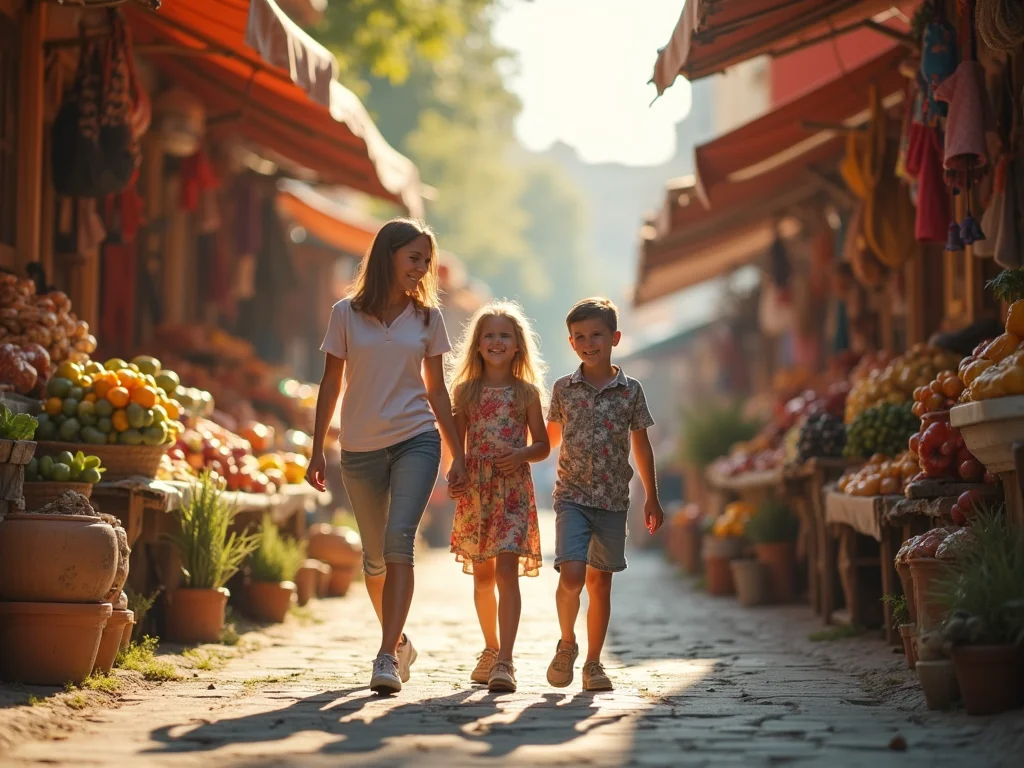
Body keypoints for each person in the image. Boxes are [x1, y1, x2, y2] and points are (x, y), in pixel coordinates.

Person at [306, 218, 468, 695]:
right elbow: (330, 383)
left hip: (416, 438)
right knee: (374, 559)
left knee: (400, 539)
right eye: (413, 258)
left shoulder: (428, 319)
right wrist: (317, 448)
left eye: (426, 261)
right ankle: (399, 642)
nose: (421, 268)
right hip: (359, 447)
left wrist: (456, 452)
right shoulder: (345, 314)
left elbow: (436, 391)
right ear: (388, 256)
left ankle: (384, 657)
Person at [545, 297, 664, 692]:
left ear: (615, 337)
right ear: (570, 342)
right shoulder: (563, 389)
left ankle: (594, 663)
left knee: (600, 584)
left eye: (596, 335)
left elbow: (642, 446)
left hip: (613, 501)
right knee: (572, 575)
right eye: (579, 336)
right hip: (572, 497)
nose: (588, 343)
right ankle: (567, 643)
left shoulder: (631, 391)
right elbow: (548, 441)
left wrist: (651, 496)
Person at [447, 300, 549, 693]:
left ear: (518, 344)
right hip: (477, 491)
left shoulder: (527, 393)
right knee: (482, 576)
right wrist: (456, 470)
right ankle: (489, 648)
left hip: (512, 490)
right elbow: (456, 445)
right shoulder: (465, 392)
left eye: (504, 335)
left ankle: (506, 659)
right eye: (489, 335)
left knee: (507, 571)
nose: (496, 341)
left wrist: (522, 454)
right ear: (477, 344)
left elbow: (542, 445)